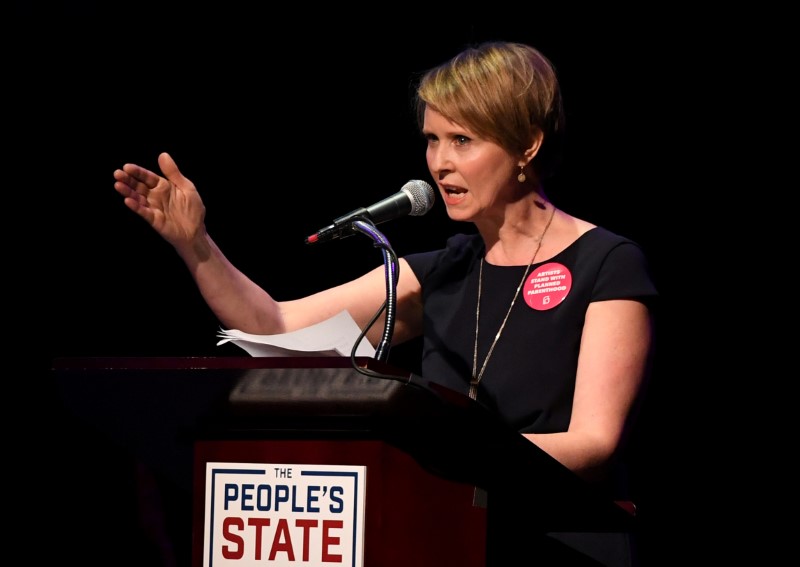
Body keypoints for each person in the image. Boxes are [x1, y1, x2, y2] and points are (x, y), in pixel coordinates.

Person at [113, 41, 657, 566]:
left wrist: (450, 455)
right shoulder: (439, 270)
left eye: (462, 140)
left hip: (559, 543)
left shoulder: (605, 263)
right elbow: (276, 326)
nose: (439, 163)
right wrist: (195, 244)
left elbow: (593, 442)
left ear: (528, 144)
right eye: (432, 139)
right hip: (447, 538)